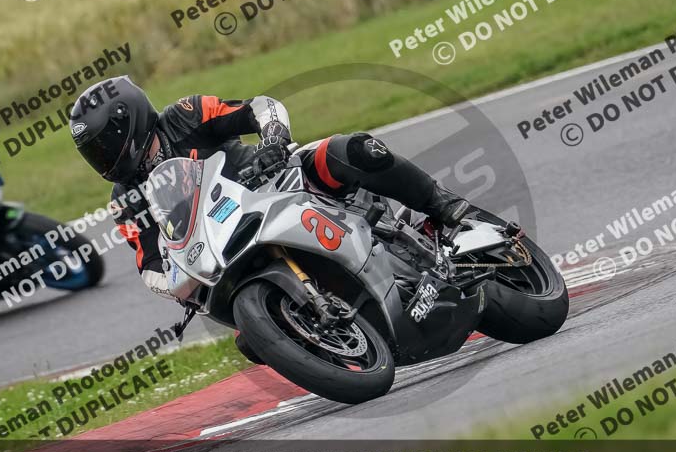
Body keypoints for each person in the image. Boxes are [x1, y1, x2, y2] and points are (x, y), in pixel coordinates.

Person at [69, 76, 469, 299]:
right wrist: (175, 284)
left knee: (351, 151)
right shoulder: (125, 202)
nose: (102, 159)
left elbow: (260, 107)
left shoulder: (186, 116)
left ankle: (443, 204)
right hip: (224, 251)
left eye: (103, 147)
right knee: (250, 343)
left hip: (277, 184)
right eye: (93, 154)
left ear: (128, 123)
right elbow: (149, 267)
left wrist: (273, 139)